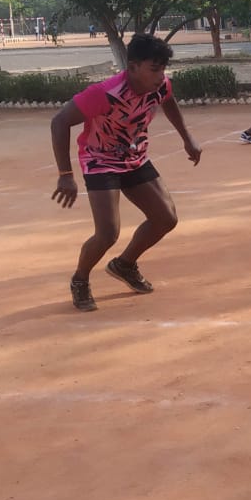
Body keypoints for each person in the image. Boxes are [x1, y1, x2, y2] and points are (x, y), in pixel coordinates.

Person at [50, 32, 202, 312]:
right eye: (154, 69)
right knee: (108, 233)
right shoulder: (104, 94)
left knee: (165, 218)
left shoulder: (160, 85)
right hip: (100, 159)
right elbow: (59, 121)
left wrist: (186, 137)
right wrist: (64, 174)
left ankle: (124, 264)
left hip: (135, 156)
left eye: (163, 69)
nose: (160, 76)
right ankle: (80, 279)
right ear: (133, 67)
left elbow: (168, 99)